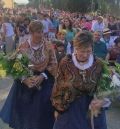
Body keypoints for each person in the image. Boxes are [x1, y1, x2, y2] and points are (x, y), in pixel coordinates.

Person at [0, 20, 57, 129]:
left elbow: (53, 63)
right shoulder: (23, 46)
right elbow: (15, 64)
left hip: (44, 81)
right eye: (37, 32)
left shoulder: (48, 46)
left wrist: (42, 76)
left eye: (41, 32)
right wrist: (24, 79)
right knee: (25, 114)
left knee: (42, 110)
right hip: (26, 83)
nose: (40, 34)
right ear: (31, 32)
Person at [51, 31, 107, 129]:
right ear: (75, 48)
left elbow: (105, 86)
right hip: (69, 108)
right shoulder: (65, 62)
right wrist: (57, 108)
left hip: (91, 109)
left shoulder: (99, 64)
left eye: (88, 51)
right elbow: (58, 85)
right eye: (82, 51)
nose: (85, 55)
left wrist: (101, 100)